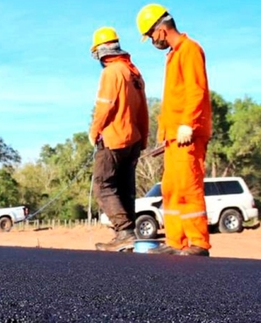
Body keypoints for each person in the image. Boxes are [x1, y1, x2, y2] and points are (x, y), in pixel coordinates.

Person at [136, 4, 212, 256]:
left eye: (150, 36)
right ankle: (176, 241)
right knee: (170, 188)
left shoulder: (189, 49)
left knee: (188, 185)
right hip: (173, 137)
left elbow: (196, 89)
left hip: (187, 133)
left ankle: (197, 242)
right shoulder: (174, 54)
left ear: (160, 29)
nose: (151, 42)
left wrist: (187, 123)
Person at [89, 26, 150, 252]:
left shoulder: (111, 72)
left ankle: (124, 232)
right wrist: (143, 139)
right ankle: (128, 236)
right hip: (133, 140)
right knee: (125, 188)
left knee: (104, 185)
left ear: (100, 52)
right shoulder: (134, 73)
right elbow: (144, 110)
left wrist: (94, 132)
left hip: (114, 139)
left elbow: (104, 107)